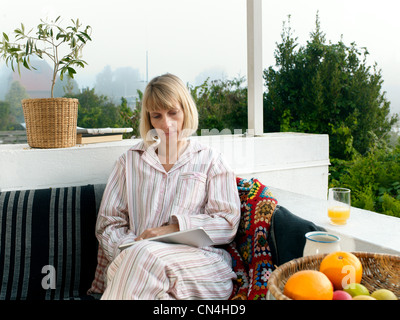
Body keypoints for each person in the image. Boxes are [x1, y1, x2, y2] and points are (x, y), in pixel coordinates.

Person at [89, 73, 241, 299]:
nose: (166, 124)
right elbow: (108, 224)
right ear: (148, 119)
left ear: (185, 111)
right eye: (156, 116)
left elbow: (227, 222)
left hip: (200, 266)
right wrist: (131, 249)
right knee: (150, 278)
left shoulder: (211, 160)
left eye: (173, 113)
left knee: (144, 260)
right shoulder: (129, 162)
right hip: (135, 266)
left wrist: (172, 229)